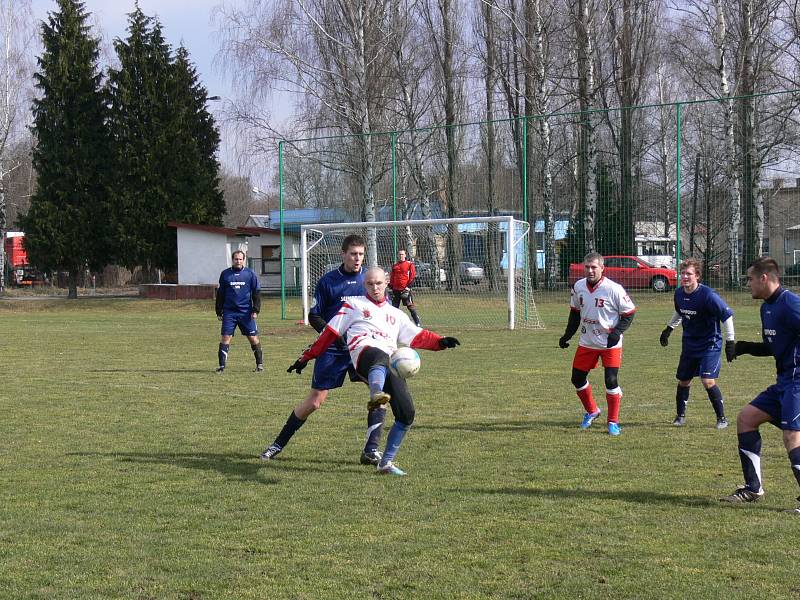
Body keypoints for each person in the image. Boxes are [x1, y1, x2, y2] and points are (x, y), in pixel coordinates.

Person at [282, 266, 460, 475]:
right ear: (364, 284)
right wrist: (306, 357)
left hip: (390, 364)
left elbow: (417, 336)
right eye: (370, 284)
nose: (374, 287)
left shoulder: (396, 314)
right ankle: (376, 394)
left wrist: (441, 342)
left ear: (387, 283)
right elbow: (329, 333)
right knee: (380, 356)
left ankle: (386, 463)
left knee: (406, 414)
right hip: (364, 355)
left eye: (378, 283)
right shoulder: (353, 305)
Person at [260, 235, 387, 466]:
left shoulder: (369, 280)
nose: (357, 258)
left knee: (379, 393)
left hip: (360, 348)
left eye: (360, 254)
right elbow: (314, 315)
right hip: (333, 350)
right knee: (314, 402)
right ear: (343, 254)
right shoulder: (329, 281)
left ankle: (371, 449)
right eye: (353, 254)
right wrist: (333, 334)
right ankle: (277, 444)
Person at [720, 257, 800, 513]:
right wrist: (745, 348)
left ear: (764, 278)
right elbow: (773, 347)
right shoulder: (767, 307)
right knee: (747, 418)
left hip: (797, 383)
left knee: (792, 436)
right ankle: (753, 488)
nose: (747, 284)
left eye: (750, 278)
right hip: (784, 383)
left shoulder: (791, 304)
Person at [559, 252, 636, 436]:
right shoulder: (578, 286)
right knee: (576, 378)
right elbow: (575, 313)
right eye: (587, 267)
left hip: (610, 343)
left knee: (610, 380)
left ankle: (613, 422)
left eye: (594, 267)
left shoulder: (613, 289)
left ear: (602, 268)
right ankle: (592, 411)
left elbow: (629, 313)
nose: (590, 270)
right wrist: (567, 335)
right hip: (587, 341)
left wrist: (616, 333)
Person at [659, 257, 736, 429]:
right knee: (684, 381)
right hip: (689, 344)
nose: (685, 277)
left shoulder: (708, 295)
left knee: (707, 380)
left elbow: (727, 316)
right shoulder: (679, 293)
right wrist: (668, 329)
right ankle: (680, 416)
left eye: (689, 274)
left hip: (710, 344)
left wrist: (730, 342)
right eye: (683, 273)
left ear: (697, 276)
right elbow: (679, 312)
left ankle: (721, 418)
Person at [215, 249, 263, 373]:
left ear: (244, 260)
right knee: (225, 337)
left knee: (253, 338)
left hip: (246, 312)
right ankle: (221, 366)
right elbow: (220, 294)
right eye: (236, 259)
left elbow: (256, 293)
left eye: (240, 259)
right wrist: (218, 310)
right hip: (229, 312)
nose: (238, 261)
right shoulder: (225, 274)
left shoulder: (250, 274)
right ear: (232, 260)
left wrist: (255, 310)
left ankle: (259, 365)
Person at [389, 249, 421, 326]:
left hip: (405, 289)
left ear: (405, 255)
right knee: (394, 308)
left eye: (402, 254)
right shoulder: (395, 266)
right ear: (397, 255)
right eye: (399, 254)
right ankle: (394, 324)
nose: (401, 256)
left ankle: (417, 322)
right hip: (396, 290)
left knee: (410, 306)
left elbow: (412, 276)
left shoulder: (409, 264)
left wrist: (408, 287)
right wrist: (390, 286)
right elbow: (392, 278)